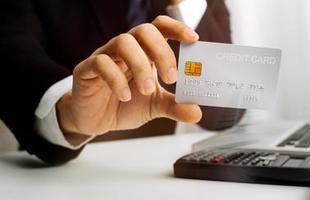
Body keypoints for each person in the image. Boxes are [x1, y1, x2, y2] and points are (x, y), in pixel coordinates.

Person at [0, 0, 244, 164]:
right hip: (67, 178)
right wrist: (69, 114)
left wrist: (183, 7)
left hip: (168, 171)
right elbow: (12, 57)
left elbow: (224, 114)